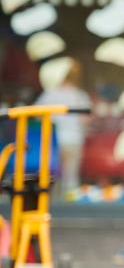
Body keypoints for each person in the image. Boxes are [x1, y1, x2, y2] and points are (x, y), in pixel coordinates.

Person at [34, 57, 92, 200]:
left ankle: (52, 203)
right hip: (74, 139)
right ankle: (70, 206)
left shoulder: (50, 94)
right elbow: (86, 119)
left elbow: (36, 114)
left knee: (52, 174)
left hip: (53, 140)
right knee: (70, 176)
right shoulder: (79, 95)